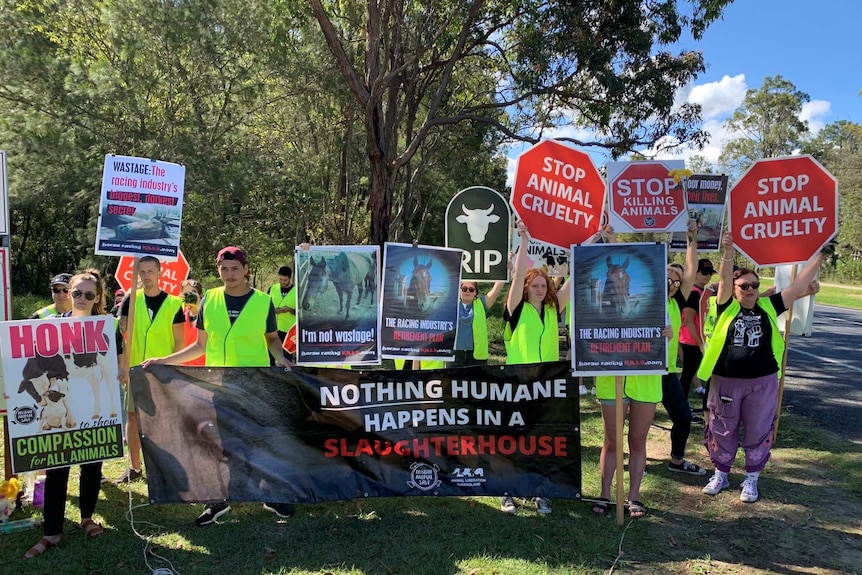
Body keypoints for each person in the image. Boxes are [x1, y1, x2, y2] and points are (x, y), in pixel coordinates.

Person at [141, 245, 293, 525]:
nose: (230, 274)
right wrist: (164, 359)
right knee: (219, 443)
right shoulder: (209, 299)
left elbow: (272, 338)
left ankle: (270, 495)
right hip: (218, 383)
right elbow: (200, 346)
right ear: (218, 270)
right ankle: (219, 501)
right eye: (224, 268)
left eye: (235, 268)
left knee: (257, 440)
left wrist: (281, 358)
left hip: (254, 381)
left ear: (246, 270)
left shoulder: (263, 301)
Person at [697, 233, 825, 503]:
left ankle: (751, 480)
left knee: (758, 429)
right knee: (723, 428)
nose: (751, 289)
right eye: (744, 286)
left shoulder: (769, 305)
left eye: (755, 285)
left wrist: (820, 256)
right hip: (726, 381)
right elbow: (723, 280)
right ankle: (721, 474)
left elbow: (800, 283)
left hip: (762, 382)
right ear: (734, 288)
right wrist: (729, 252)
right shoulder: (725, 307)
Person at [25, 273, 121, 558]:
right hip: (63, 400)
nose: (81, 298)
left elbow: (115, 361)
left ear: (98, 298)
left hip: (93, 408)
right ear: (68, 293)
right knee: (57, 468)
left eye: (88, 295)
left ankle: (87, 518)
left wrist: (123, 371)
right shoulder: (51, 325)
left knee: (92, 464)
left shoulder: (107, 326)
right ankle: (51, 532)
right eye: (76, 292)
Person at [591, 232, 674, 518]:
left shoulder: (654, 306)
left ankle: (634, 497)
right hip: (610, 377)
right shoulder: (597, 305)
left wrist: (667, 335)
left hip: (645, 381)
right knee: (611, 440)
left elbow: (660, 343)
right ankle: (604, 494)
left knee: (637, 441)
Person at [499, 222, 571, 515]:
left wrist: (593, 239)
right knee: (513, 439)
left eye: (545, 286)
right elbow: (516, 276)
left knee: (542, 441)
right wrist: (525, 239)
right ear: (527, 288)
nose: (541, 290)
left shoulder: (553, 309)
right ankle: (507, 491)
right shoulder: (515, 309)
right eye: (535, 286)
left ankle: (540, 492)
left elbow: (574, 277)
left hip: (547, 384)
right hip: (517, 383)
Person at [115, 256, 185, 484]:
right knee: (134, 418)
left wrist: (172, 369)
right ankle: (135, 467)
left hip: (162, 372)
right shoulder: (130, 299)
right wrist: (123, 367)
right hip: (135, 369)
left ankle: (165, 467)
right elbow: (121, 332)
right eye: (141, 272)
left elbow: (179, 343)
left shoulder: (174, 304)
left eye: (150, 271)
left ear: (159, 272)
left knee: (163, 420)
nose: (146, 276)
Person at [661, 224, 707, 477]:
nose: (673, 283)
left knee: (684, 416)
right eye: (668, 279)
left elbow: (690, 272)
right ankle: (637, 463)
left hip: (666, 372)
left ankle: (676, 460)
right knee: (637, 424)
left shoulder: (676, 300)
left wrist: (692, 241)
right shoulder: (647, 297)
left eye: (677, 282)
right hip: (642, 371)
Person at [679, 258, 715, 420]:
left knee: (695, 375)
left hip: (700, 341)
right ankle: (681, 412)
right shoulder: (693, 293)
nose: (707, 276)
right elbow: (687, 319)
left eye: (710, 273)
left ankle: (686, 409)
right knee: (687, 376)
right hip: (691, 342)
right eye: (704, 273)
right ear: (696, 273)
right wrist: (700, 343)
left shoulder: (702, 291)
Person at [452, 279, 504, 367]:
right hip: (454, 355)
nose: (467, 291)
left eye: (471, 289)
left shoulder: (482, 304)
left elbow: (495, 291)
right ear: (459, 290)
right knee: (453, 381)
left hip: (476, 356)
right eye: (464, 289)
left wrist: (505, 272)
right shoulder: (451, 304)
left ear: (475, 293)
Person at [268, 265, 296, 363]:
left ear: (290, 278)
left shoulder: (297, 291)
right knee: (270, 357)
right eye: (280, 279)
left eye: (285, 280)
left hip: (289, 331)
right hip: (273, 329)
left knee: (286, 358)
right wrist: (273, 310)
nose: (282, 282)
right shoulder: (272, 289)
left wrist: (290, 310)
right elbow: (266, 307)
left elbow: (302, 312)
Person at [180, 279, 206, 366]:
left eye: (193, 292)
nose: (189, 296)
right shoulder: (180, 314)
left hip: (204, 367)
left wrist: (199, 306)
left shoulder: (207, 312)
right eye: (186, 294)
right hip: (184, 367)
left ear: (200, 294)